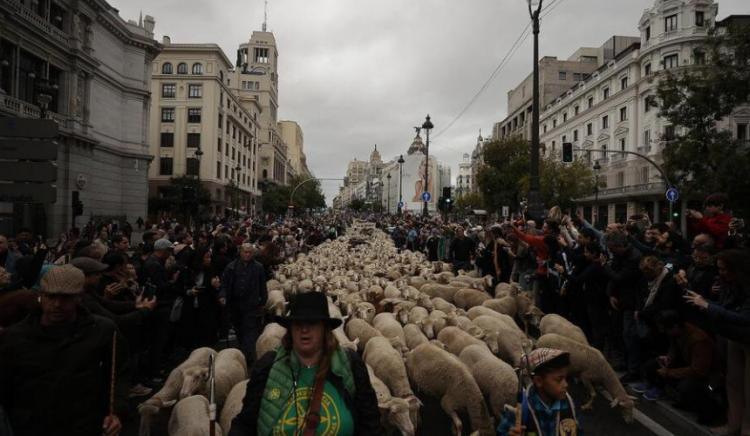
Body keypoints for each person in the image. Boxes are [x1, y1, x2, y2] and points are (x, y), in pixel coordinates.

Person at [228, 292, 382, 436]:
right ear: (290, 329)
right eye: (297, 323)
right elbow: (245, 424)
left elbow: (370, 424)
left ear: (325, 328)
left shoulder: (350, 365)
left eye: (312, 323)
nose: (304, 329)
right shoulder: (267, 367)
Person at [0, 265, 128, 436]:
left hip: (86, 425)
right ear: (41, 296)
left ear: (79, 298)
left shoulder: (102, 330)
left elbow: (120, 372)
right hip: (31, 427)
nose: (57, 304)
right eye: (51, 296)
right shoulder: (15, 337)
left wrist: (116, 411)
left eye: (66, 297)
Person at [632, 311, 717, 420]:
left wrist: (668, 372)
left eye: (666, 329)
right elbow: (673, 348)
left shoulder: (699, 340)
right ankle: (660, 389)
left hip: (706, 376)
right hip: (688, 364)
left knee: (686, 387)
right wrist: (668, 358)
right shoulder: (677, 333)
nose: (665, 332)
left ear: (675, 326)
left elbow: (698, 371)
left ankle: (705, 410)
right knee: (652, 365)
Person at [496, 348, 582, 436]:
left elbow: (577, 430)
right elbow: (502, 432)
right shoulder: (520, 409)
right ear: (539, 381)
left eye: (566, 378)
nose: (566, 384)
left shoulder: (568, 403)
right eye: (559, 380)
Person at [220, 243, 268, 363]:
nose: (247, 254)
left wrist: (263, 301)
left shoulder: (258, 267)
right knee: (239, 328)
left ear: (253, 253)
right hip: (235, 304)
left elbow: (263, 286)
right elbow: (224, 284)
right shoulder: (231, 267)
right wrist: (222, 295)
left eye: (250, 252)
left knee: (249, 329)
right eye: (245, 252)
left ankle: (248, 356)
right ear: (240, 252)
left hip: (251, 304)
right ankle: (243, 349)